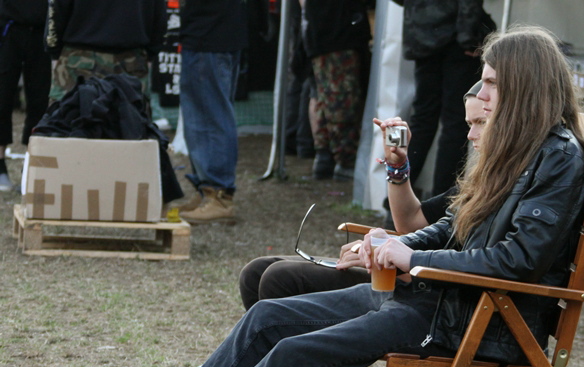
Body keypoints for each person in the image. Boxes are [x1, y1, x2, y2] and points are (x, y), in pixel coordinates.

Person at [40, 26, 584, 367]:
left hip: (473, 319)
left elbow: (518, 260)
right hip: (437, 299)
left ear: (525, 85)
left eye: (491, 82)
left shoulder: (558, 156)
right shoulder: (514, 147)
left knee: (293, 352)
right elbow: (452, 225)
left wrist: (412, 255)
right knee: (267, 319)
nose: (479, 91)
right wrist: (394, 243)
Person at [238, 81, 486, 309]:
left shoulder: (510, 189)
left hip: (432, 293)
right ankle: (268, 357)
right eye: (469, 124)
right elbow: (411, 223)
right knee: (256, 272)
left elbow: (474, 265)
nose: (470, 135)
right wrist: (397, 166)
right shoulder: (484, 180)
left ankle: (284, 357)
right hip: (408, 272)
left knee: (279, 277)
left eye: (480, 123)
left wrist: (394, 256)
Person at [393, 0, 494, 197]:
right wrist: (468, 36)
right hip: (454, 39)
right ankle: (441, 203)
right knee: (454, 124)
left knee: (423, 119)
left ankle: (399, 197)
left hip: (422, 35)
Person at [177, 0, 247, 225]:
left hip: (208, 34)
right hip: (217, 32)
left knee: (209, 116)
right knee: (210, 114)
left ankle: (218, 195)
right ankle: (210, 192)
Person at [44, 0, 167, 104]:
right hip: (131, 60)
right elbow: (160, 17)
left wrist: (54, 51)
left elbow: (56, 12)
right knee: (130, 125)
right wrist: (151, 53)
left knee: (70, 124)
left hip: (79, 61)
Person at [301, 0, 370, 181]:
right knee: (341, 100)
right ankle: (343, 160)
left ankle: (326, 157)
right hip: (336, 34)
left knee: (323, 98)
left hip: (324, 33)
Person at [0, 0, 50, 192]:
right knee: (3, 96)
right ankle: (0, 165)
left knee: (39, 100)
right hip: (9, 26)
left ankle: (31, 166)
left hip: (41, 30)